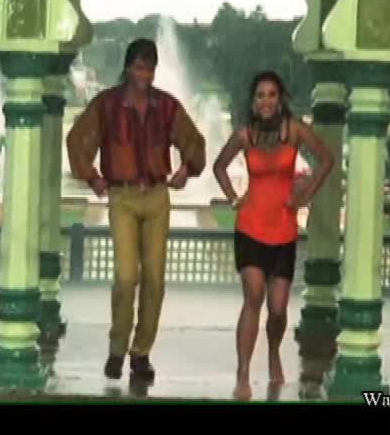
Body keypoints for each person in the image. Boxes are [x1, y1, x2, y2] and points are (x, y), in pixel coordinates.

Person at [66, 38, 206, 383]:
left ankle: (141, 353)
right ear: (128, 68)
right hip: (123, 197)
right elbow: (76, 139)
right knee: (127, 277)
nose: (145, 75)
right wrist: (92, 177)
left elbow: (194, 141)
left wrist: (187, 169)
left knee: (155, 279)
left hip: (157, 196)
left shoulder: (166, 106)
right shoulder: (107, 105)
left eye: (151, 69)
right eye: (140, 68)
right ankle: (117, 348)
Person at [212, 71, 334, 400]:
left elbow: (326, 159)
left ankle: (274, 352)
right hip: (250, 227)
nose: (266, 101)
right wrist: (234, 198)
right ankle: (242, 374)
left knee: (278, 309)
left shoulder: (294, 130)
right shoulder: (245, 135)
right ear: (253, 102)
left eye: (271, 94)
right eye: (260, 95)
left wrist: (304, 196)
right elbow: (219, 166)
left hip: (283, 229)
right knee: (253, 295)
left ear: (280, 99)